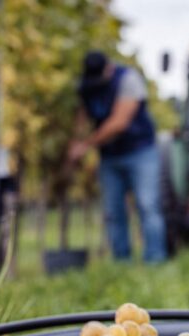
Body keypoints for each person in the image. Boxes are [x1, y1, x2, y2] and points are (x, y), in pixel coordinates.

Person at [67, 50, 167, 263]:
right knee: (113, 211)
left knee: (147, 205)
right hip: (110, 156)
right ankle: (122, 261)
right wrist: (76, 142)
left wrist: (86, 145)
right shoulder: (87, 84)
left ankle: (155, 259)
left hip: (141, 151)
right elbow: (82, 116)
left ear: (109, 68)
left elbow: (119, 123)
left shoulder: (128, 79)